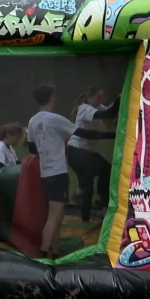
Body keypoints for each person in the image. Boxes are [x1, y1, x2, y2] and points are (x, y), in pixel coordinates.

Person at [27, 84, 115, 259]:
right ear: (51, 97)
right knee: (54, 215)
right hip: (57, 174)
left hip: (45, 174)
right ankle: (44, 254)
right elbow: (83, 133)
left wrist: (48, 146)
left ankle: (54, 247)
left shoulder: (32, 121)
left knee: (58, 214)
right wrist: (114, 135)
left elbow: (32, 149)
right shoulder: (55, 119)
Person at [67, 85, 121, 221]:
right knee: (89, 184)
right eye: (99, 96)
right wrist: (119, 99)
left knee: (107, 170)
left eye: (102, 96)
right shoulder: (85, 109)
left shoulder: (98, 107)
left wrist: (120, 102)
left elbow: (111, 112)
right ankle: (85, 217)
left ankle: (101, 200)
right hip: (76, 151)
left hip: (88, 154)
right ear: (90, 96)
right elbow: (107, 114)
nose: (101, 99)